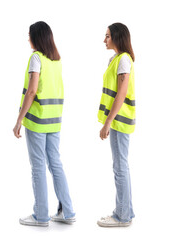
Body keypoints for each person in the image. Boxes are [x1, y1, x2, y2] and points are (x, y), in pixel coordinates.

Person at [13, 21, 75, 227]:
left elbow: (31, 92)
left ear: (37, 37)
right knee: (56, 164)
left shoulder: (36, 58)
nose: (27, 38)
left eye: (29, 34)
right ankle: (67, 211)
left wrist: (19, 119)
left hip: (37, 121)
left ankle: (41, 215)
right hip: (55, 121)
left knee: (38, 167)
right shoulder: (56, 61)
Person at [96, 22, 136, 228]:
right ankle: (124, 211)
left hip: (119, 121)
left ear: (118, 38)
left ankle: (122, 216)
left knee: (120, 167)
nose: (104, 40)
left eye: (108, 36)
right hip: (118, 121)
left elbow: (121, 94)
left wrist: (108, 122)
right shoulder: (118, 59)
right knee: (121, 166)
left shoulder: (123, 60)